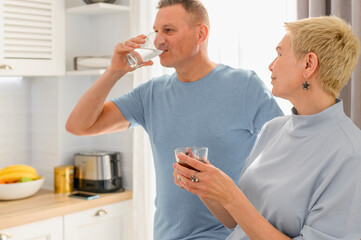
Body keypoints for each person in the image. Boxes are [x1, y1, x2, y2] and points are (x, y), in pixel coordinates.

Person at [66, 0, 283, 239]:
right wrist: (114, 71)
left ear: (201, 34)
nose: (158, 40)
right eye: (156, 31)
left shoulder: (244, 86)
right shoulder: (150, 93)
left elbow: (287, 151)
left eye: (168, 31)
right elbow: (79, 126)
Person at [173, 15, 361, 240]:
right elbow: (236, 223)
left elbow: (239, 206)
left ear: (309, 64)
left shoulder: (350, 155)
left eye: (280, 53)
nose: (271, 64)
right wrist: (206, 184)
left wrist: (232, 196)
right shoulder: (273, 129)